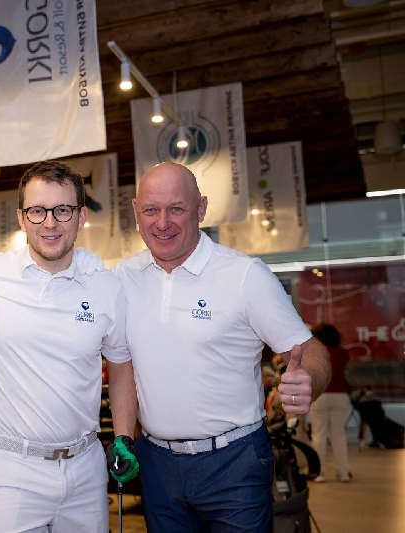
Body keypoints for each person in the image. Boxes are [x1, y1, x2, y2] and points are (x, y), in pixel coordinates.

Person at [115, 162, 331, 532]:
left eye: (176, 209)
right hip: (157, 466)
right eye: (151, 209)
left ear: (201, 209)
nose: (162, 222)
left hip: (234, 464)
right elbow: (122, 363)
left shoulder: (245, 276)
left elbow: (312, 351)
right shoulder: (123, 278)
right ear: (136, 212)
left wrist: (309, 378)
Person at [0, 160, 138, 533]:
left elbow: (120, 364)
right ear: (21, 218)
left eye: (62, 210)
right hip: (11, 470)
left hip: (85, 469)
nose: (49, 223)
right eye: (37, 211)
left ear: (81, 216)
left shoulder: (106, 287)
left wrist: (124, 437)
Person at [310, 323, 352, 482]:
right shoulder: (343, 353)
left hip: (320, 395)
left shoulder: (315, 352)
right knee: (339, 435)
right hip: (340, 396)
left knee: (319, 435)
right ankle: (343, 472)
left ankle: (319, 473)